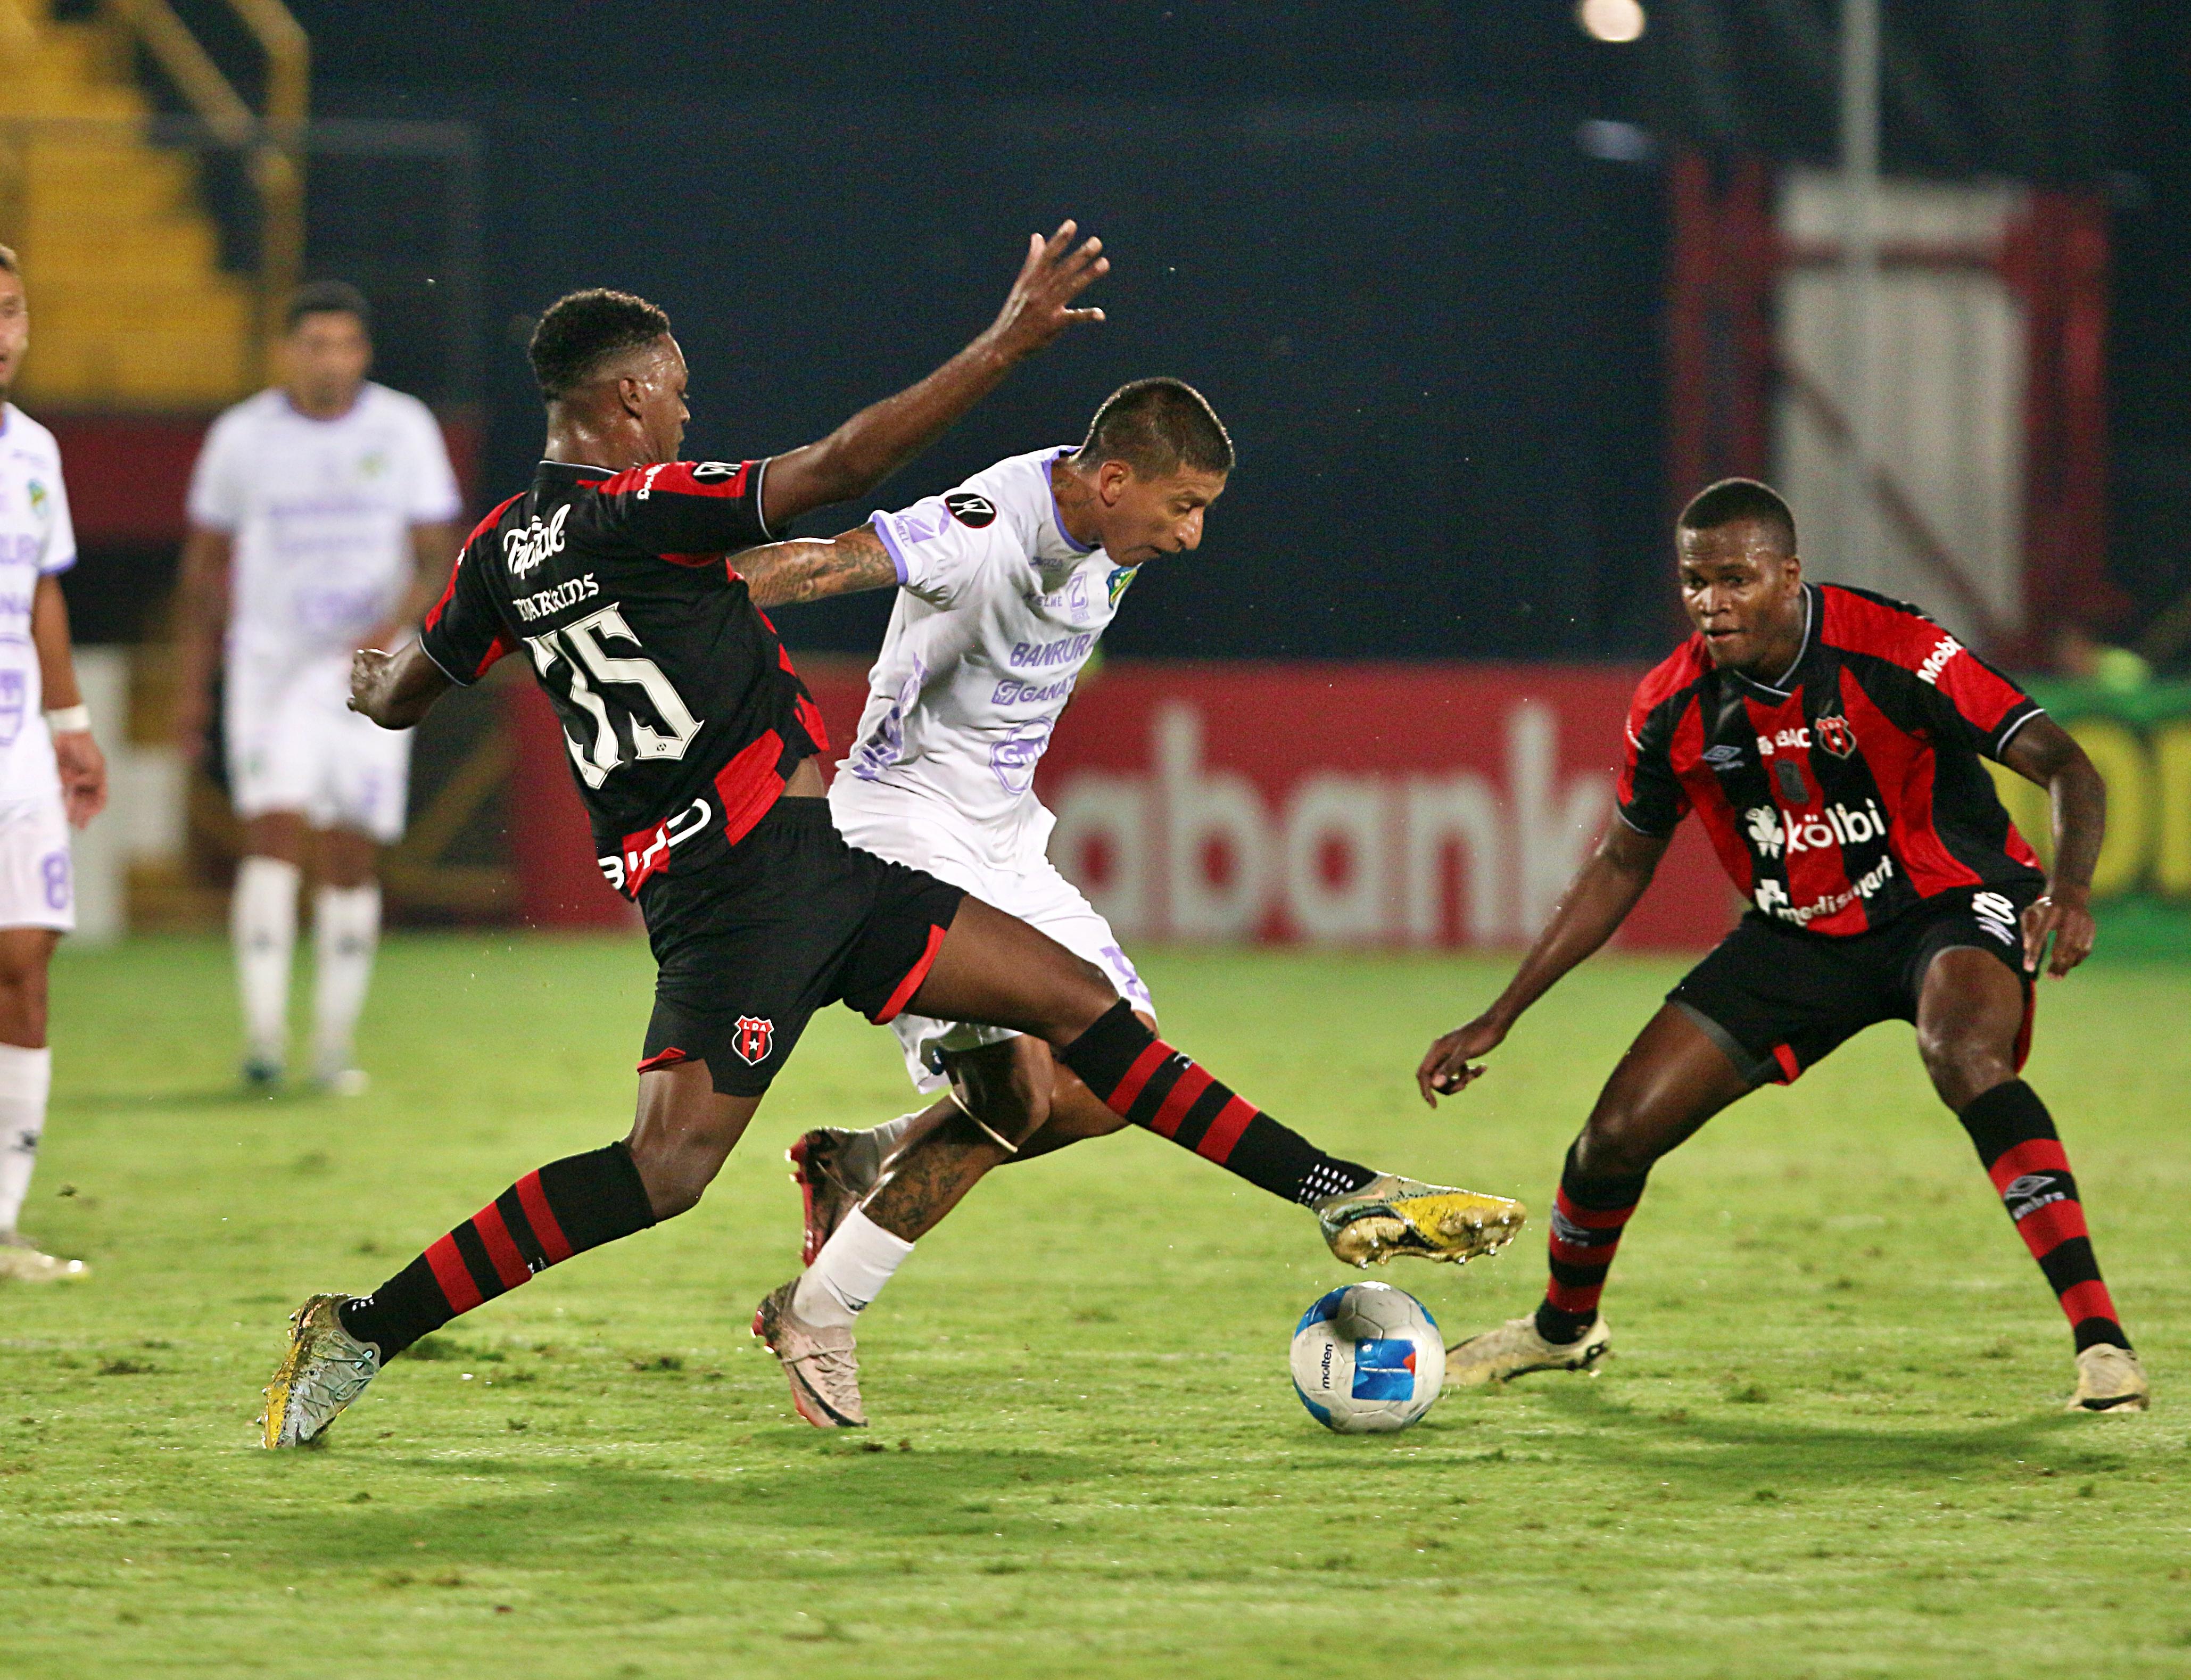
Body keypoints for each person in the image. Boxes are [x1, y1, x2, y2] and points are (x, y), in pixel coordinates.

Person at [260, 226, 1516, 1445]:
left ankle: (1336, 1188)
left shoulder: (498, 553)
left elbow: (402, 692)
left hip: (820, 869)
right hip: (736, 894)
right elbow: (837, 468)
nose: (690, 416)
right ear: (632, 394)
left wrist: (368, 673)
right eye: (681, 395)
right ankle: (364, 1324)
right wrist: (1006, 345)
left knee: (1082, 1009)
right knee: (661, 1173)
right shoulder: (642, 505)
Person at [736, 377, 1519, 1379]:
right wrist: (654, 589)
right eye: (1182, 507)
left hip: (1006, 838)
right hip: (903, 828)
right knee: (1016, 1088)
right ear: (1112, 480)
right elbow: (831, 563)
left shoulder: (1107, 533)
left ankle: (860, 1156)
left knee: (1115, 1076)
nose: (1193, 536)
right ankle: (816, 1312)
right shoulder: (985, 526)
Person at [1417, 477, 2148, 1414]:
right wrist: (1500, 1014)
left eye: (1735, 579)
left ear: (1789, 574)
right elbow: (1616, 866)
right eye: (1693, 582)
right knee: (1611, 1139)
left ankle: (2102, 1343)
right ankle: (1562, 1332)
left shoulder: (1893, 647)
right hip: (1798, 937)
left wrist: (2069, 886)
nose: (1711, 603)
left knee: (1963, 1052)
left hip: (1946, 901)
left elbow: (2062, 762)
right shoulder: (1672, 706)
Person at [177, 282, 464, 1093]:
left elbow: (434, 551)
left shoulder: (401, 427)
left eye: (343, 344)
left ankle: (333, 1046)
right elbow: (204, 563)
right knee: (271, 834)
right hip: (271, 666)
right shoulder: (243, 436)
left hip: (371, 674)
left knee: (348, 851)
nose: (328, 359)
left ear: (362, 354)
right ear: (288, 352)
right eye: (314, 344)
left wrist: (392, 629)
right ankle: (264, 1038)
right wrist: (201, 678)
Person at [0, 244, 109, 1282]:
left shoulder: (33, 450)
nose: (1, 336)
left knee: (27, 966)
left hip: (19, 746)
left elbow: (40, 591)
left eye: (12, 313)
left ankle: (2, 1224)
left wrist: (70, 720)